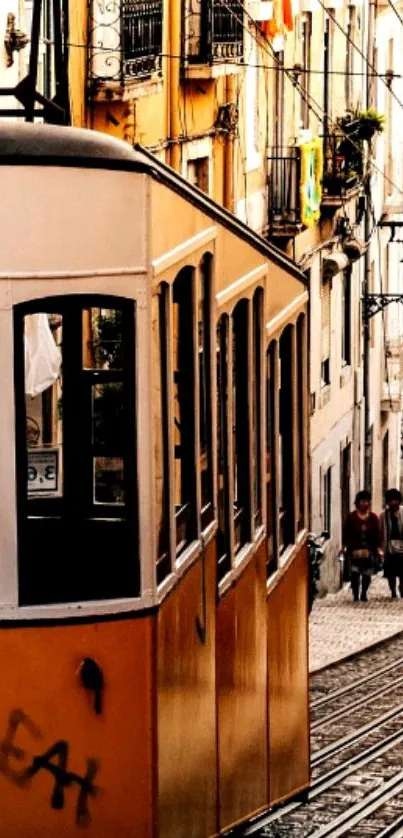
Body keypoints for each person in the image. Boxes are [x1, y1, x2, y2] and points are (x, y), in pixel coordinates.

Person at [343, 490, 382, 602]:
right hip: (354, 549)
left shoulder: (373, 517)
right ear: (358, 502)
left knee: (367, 574)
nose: (365, 504)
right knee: (355, 574)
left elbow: (376, 534)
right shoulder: (351, 517)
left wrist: (378, 548)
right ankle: (356, 594)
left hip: (368, 550)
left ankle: (364, 593)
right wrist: (344, 546)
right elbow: (346, 533)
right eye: (363, 501)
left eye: (367, 501)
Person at [379, 488, 403, 599]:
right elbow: (380, 531)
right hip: (389, 547)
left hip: (402, 547)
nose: (393, 503)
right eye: (391, 500)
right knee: (391, 573)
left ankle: (402, 589)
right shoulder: (383, 516)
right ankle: (393, 591)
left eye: (395, 500)